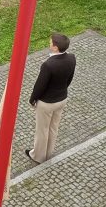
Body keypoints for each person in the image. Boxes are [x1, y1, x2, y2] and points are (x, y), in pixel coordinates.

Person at [25, 33, 76, 165]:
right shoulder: (71, 58)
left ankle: (38, 156)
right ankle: (48, 152)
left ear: (55, 48)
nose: (49, 44)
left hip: (47, 103)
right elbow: (69, 79)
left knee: (42, 130)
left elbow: (40, 86)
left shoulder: (48, 65)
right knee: (54, 127)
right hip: (62, 98)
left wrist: (32, 99)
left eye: (51, 43)